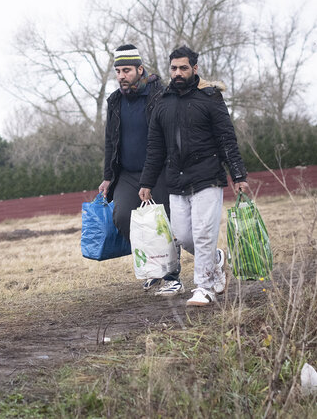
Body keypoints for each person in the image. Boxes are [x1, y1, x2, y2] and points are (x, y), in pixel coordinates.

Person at [139, 45, 250, 307]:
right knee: (183, 237)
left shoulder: (210, 98)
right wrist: (146, 181)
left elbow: (226, 138)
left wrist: (238, 174)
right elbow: (155, 147)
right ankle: (216, 260)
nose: (178, 73)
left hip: (207, 177)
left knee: (202, 234)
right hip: (175, 180)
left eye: (183, 68)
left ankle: (204, 287)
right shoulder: (161, 102)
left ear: (195, 69)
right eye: (174, 68)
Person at [98, 44, 183, 296]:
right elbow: (110, 141)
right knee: (123, 217)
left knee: (162, 223)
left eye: (126, 70)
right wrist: (107, 176)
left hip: (158, 171)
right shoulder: (114, 101)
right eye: (118, 71)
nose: (122, 76)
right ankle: (155, 267)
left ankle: (172, 276)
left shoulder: (159, 94)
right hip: (127, 174)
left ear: (140, 69)